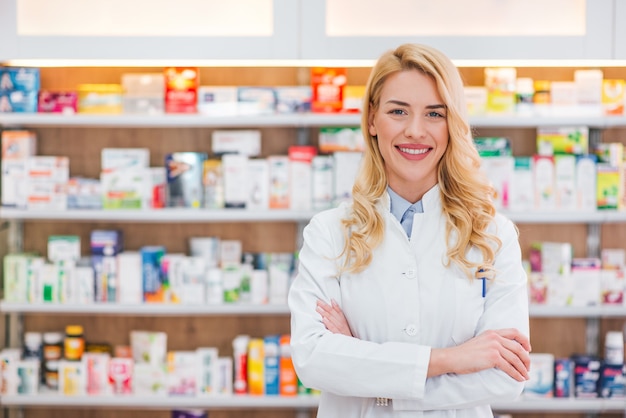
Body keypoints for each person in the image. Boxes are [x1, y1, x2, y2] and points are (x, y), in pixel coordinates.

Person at [287, 43, 531, 417]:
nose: (415, 131)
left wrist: (370, 376)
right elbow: (312, 358)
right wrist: (450, 359)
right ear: (372, 119)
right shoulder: (329, 232)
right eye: (398, 111)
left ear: (452, 124)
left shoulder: (493, 235)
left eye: (434, 113)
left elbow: (506, 375)